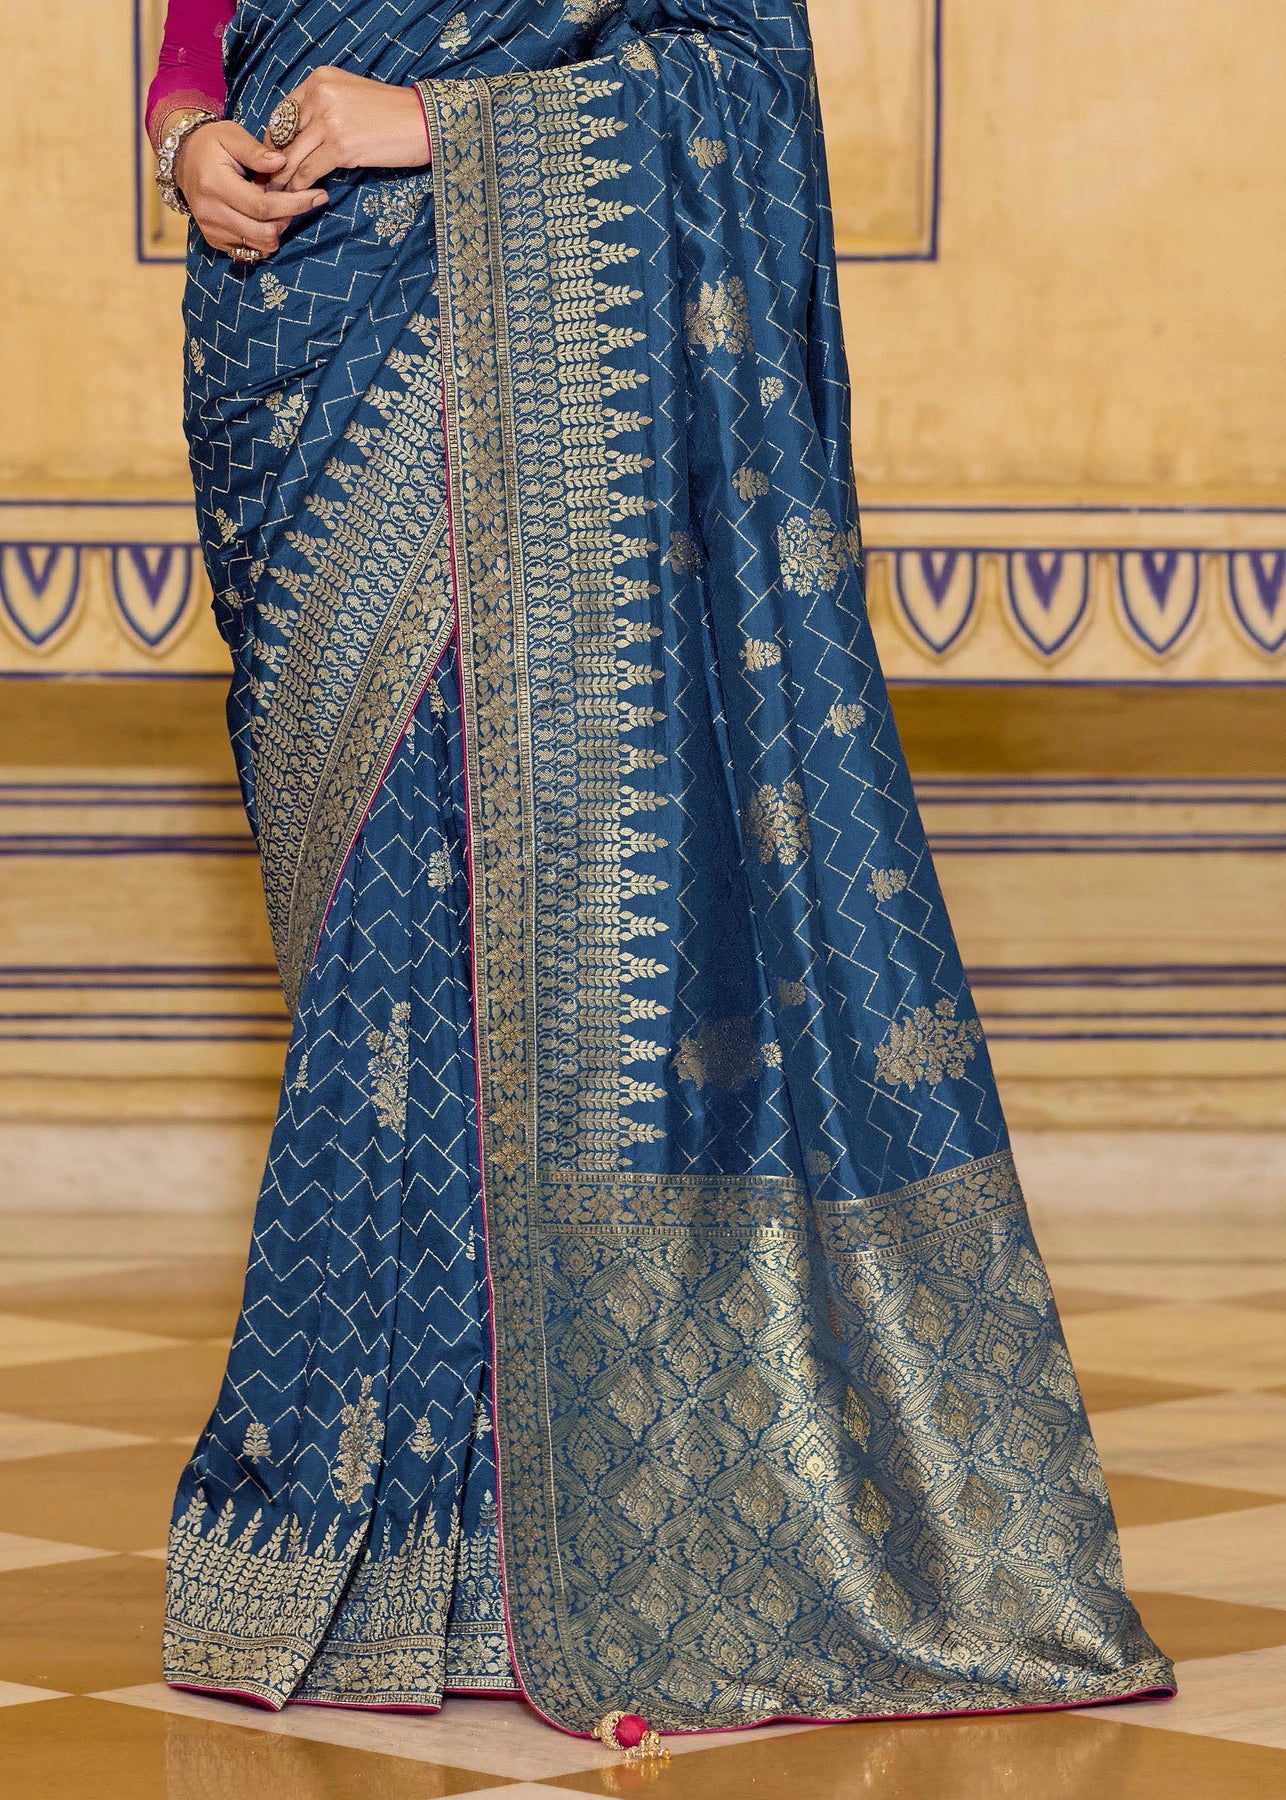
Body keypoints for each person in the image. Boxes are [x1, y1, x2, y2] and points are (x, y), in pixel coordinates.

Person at [146, 0, 1173, 1742]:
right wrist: (188, 141)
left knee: (511, 918)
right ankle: (372, 1533)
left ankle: (540, 1533)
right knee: (367, 947)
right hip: (290, 324)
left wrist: (443, 125)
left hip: (535, 349)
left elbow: (740, 71)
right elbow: (191, 30)